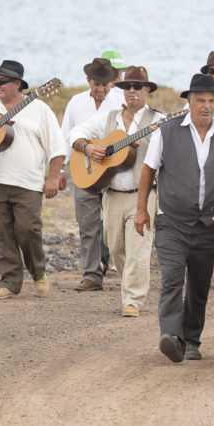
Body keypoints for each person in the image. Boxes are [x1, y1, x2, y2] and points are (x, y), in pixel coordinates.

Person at [136, 73, 214, 362]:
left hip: (210, 222)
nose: (206, 106)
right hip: (172, 219)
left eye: (211, 101)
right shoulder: (167, 130)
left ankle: (192, 340)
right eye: (200, 101)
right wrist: (141, 209)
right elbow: (148, 170)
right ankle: (171, 335)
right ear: (189, 102)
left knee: (198, 284)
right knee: (172, 277)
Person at [0, 60, 66, 300]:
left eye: (3, 81)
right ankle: (9, 283)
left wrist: (53, 177)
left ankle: (38, 273)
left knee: (28, 229)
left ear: (18, 84)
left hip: (27, 183)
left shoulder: (40, 109)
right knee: (0, 233)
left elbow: (57, 148)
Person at [68, 66, 163, 316]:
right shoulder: (109, 119)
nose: (132, 92)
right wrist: (88, 149)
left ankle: (132, 300)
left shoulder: (158, 121)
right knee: (116, 247)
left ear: (147, 91)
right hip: (112, 195)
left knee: (138, 249)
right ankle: (129, 286)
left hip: (143, 195)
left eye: (138, 87)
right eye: (127, 87)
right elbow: (76, 133)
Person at [61, 57, 123, 291]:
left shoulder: (120, 102)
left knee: (111, 226)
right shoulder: (76, 103)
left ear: (111, 82)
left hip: (114, 171)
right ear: (88, 81)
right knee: (87, 224)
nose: (100, 89)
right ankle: (91, 275)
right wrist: (62, 170)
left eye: (105, 84)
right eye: (96, 84)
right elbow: (66, 135)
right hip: (82, 170)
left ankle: (108, 262)